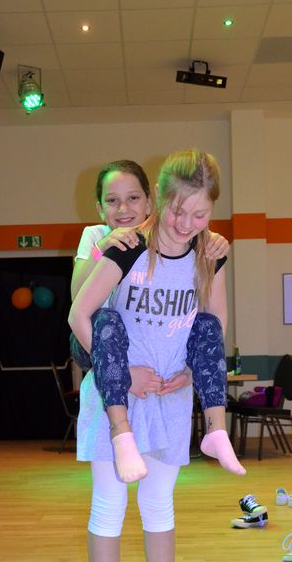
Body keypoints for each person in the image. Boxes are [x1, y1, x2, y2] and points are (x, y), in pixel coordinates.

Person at [69, 148, 234, 562]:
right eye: (178, 210)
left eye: (200, 214)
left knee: (160, 504)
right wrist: (122, 375)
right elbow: (80, 315)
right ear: (159, 201)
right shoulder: (127, 246)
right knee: (110, 504)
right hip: (120, 394)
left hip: (169, 395)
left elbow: (214, 325)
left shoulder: (209, 253)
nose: (187, 223)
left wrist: (192, 372)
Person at [70, 159, 244, 480]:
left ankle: (216, 429)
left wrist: (191, 370)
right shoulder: (106, 239)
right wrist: (100, 250)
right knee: (106, 320)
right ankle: (121, 433)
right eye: (112, 200)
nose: (124, 208)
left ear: (149, 201)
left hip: (151, 351)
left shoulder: (198, 245)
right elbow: (77, 303)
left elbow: (214, 320)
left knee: (207, 326)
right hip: (97, 338)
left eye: (133, 198)